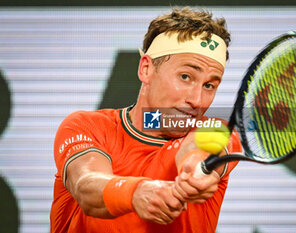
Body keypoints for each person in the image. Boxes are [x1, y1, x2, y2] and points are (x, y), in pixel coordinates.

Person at [50, 7, 242, 233]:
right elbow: (85, 185)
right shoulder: (85, 125)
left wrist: (196, 167)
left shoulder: (214, 131)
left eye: (209, 85)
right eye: (185, 76)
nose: (197, 100)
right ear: (146, 69)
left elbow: (202, 148)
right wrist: (136, 192)